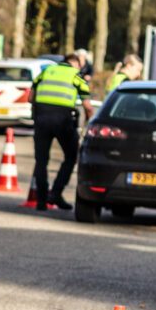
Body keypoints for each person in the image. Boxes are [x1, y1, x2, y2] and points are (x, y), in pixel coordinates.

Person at [28, 53, 94, 211]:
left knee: (41, 161)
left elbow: (30, 98)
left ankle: (41, 201)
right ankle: (56, 193)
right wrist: (89, 124)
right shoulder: (76, 76)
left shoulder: (46, 71)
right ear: (76, 65)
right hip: (63, 121)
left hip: (42, 120)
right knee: (71, 156)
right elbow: (88, 107)